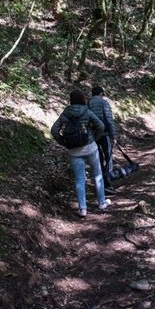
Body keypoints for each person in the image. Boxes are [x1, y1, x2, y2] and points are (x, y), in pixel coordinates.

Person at [51, 90, 111, 218]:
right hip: (90, 148)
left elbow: (54, 130)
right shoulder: (86, 111)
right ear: (82, 99)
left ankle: (82, 209)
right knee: (97, 175)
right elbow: (100, 126)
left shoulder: (65, 113)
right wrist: (94, 138)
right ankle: (101, 203)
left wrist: (63, 142)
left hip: (74, 151)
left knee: (79, 179)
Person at [88, 86, 117, 195]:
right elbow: (109, 120)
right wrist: (113, 135)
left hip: (93, 135)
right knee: (108, 157)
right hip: (105, 134)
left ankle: (99, 184)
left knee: (98, 158)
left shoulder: (88, 103)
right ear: (101, 94)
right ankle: (108, 183)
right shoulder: (104, 103)